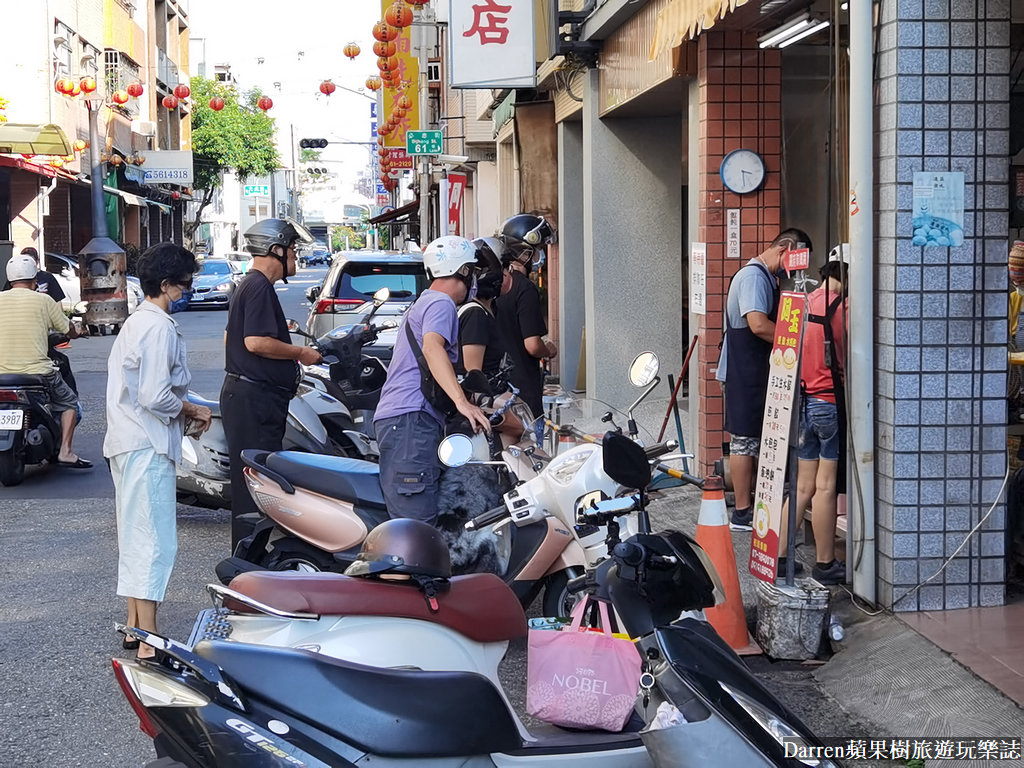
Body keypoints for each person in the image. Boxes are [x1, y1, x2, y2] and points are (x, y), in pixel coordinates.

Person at [104, 242, 213, 658]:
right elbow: (154, 395)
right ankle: (150, 638)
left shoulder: (138, 322)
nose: (189, 291)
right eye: (185, 284)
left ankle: (136, 626)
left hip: (129, 440)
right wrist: (191, 408)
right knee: (154, 539)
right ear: (166, 285)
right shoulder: (158, 327)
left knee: (136, 534)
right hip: (146, 442)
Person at [373, 235, 491, 525]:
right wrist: (461, 402)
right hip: (411, 421)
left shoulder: (424, 302)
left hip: (405, 420)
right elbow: (432, 347)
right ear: (463, 271)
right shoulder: (442, 304)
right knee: (416, 529)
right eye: (472, 270)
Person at [221, 218, 323, 548]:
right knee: (256, 484)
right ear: (275, 250)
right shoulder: (259, 286)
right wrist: (300, 353)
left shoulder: (249, 286)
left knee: (255, 480)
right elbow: (255, 342)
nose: (295, 258)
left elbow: (230, 337)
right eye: (292, 250)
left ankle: (251, 561)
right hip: (254, 398)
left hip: (250, 394)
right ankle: (250, 566)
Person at [717, 228, 811, 539]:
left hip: (755, 370)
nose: (795, 270)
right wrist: (797, 343)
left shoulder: (768, 278)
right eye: (795, 260)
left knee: (754, 438)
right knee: (744, 439)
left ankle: (755, 504)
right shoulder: (753, 277)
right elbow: (757, 324)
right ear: (785, 248)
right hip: (744, 371)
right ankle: (743, 512)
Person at [778, 247, 849, 585]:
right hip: (829, 404)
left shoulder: (800, 304)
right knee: (825, 487)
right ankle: (825, 562)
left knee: (802, 485)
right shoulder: (845, 309)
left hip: (802, 403)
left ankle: (777, 557)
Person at [0, 253, 89, 468]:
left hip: (2, 376)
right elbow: (67, 329)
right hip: (37, 373)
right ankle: (66, 452)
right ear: (34, 280)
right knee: (69, 403)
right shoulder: (43, 300)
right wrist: (77, 330)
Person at [494, 214, 558, 426]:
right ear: (525, 252)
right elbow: (532, 345)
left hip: (496, 390)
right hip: (523, 393)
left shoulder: (492, 287)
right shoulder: (525, 289)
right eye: (538, 249)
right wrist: (548, 349)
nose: (540, 255)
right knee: (529, 455)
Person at [456, 237, 510, 381]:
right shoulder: (475, 314)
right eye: (505, 268)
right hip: (482, 401)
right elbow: (474, 374)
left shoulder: (490, 310)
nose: (508, 274)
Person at [2, 247, 66, 303]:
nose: (27, 264)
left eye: (30, 260)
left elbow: (57, 301)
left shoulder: (47, 277)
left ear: (37, 261)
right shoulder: (15, 278)